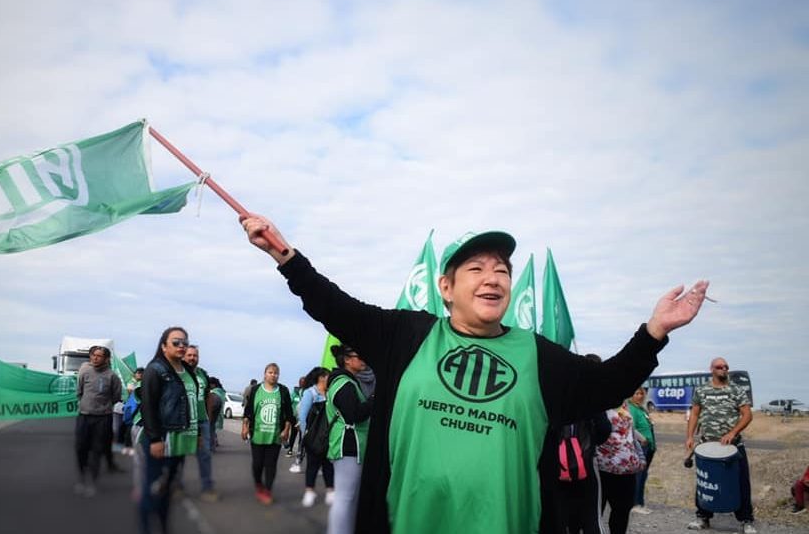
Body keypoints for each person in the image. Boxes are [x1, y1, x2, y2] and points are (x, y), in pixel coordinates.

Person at [240, 213, 709, 533]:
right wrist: (285, 255)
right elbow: (334, 306)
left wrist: (654, 331)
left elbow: (608, 384)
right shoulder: (406, 336)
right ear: (446, 287)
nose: (494, 277)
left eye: (503, 269)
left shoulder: (539, 356)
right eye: (477, 268)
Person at [541, 353, 611, 534]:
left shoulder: (550, 394)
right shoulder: (591, 396)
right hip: (585, 464)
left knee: (559, 515)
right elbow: (604, 428)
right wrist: (589, 443)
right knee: (592, 517)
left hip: (555, 467)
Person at [139, 327, 199, 534]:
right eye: (176, 342)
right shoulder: (155, 370)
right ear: (164, 346)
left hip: (180, 440)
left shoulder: (188, 371)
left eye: (185, 342)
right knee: (153, 490)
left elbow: (193, 405)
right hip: (161, 440)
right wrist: (155, 438)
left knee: (167, 490)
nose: (182, 346)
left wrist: (198, 433)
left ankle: (163, 528)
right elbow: (148, 406)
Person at [686, 357, 756, 533]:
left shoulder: (736, 390)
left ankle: (746, 520)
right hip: (707, 446)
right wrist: (689, 436)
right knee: (705, 482)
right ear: (711, 369)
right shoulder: (702, 390)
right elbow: (695, 414)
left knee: (741, 482)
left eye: (726, 367)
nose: (723, 369)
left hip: (732, 447)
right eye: (719, 367)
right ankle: (703, 517)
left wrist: (732, 433)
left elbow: (747, 415)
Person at [327, 344, 373, 534]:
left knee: (348, 498)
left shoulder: (345, 381)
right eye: (359, 356)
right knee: (345, 498)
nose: (363, 359)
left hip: (349, 446)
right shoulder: (344, 384)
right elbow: (354, 414)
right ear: (347, 360)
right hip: (347, 446)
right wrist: (374, 400)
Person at [74, 345, 123, 497]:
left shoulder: (112, 376)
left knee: (97, 450)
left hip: (103, 418)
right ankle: (82, 476)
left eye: (99, 356)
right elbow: (79, 391)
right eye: (93, 355)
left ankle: (92, 482)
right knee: (81, 448)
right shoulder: (84, 371)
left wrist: (102, 407)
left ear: (107, 359)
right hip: (84, 415)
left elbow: (115, 397)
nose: (95, 358)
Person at [242, 362, 293, 505]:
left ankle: (268, 490)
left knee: (271, 465)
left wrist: (286, 430)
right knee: (257, 464)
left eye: (276, 373)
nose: (273, 375)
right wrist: (245, 427)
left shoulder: (283, 391)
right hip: (257, 435)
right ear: (264, 374)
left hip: (275, 437)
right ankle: (259, 484)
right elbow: (249, 411)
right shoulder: (256, 389)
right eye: (270, 372)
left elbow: (289, 414)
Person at [596, 399, 644, 534]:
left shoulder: (625, 404)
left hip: (627, 470)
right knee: (595, 514)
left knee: (622, 513)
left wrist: (640, 457)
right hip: (602, 469)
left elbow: (630, 433)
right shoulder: (596, 404)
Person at [182, 344, 217, 501]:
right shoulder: (178, 373)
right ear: (183, 356)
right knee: (178, 455)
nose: (192, 358)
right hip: (182, 422)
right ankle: (176, 486)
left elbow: (208, 396)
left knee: (204, 455)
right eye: (189, 355)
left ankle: (207, 488)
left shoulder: (202, 374)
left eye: (195, 355)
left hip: (202, 422)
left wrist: (208, 417)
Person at [299, 366, 334, 507]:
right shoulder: (310, 393)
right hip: (313, 436)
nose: (330, 379)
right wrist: (305, 435)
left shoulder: (330, 393)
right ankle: (309, 491)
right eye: (328, 377)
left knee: (328, 465)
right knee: (312, 465)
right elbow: (302, 416)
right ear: (321, 378)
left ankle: (331, 491)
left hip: (328, 435)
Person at [629, 386, 655, 514]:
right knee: (638, 476)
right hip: (641, 446)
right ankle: (635, 504)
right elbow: (631, 427)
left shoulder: (641, 409)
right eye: (636, 393)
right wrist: (642, 439)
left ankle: (640, 502)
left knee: (643, 475)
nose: (639, 396)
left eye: (641, 393)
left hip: (649, 447)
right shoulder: (631, 409)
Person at [287, 376, 305, 458]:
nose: (303, 383)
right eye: (301, 382)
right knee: (293, 434)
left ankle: (300, 450)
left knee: (302, 435)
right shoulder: (294, 393)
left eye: (304, 382)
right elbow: (289, 404)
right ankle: (290, 449)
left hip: (303, 418)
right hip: (295, 417)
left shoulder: (307, 393)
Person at [206, 377, 226, 452]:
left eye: (210, 384)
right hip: (218, 410)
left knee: (208, 426)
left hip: (213, 406)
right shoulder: (221, 392)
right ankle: (213, 445)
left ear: (213, 384)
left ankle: (210, 446)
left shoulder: (213, 393)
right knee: (212, 426)